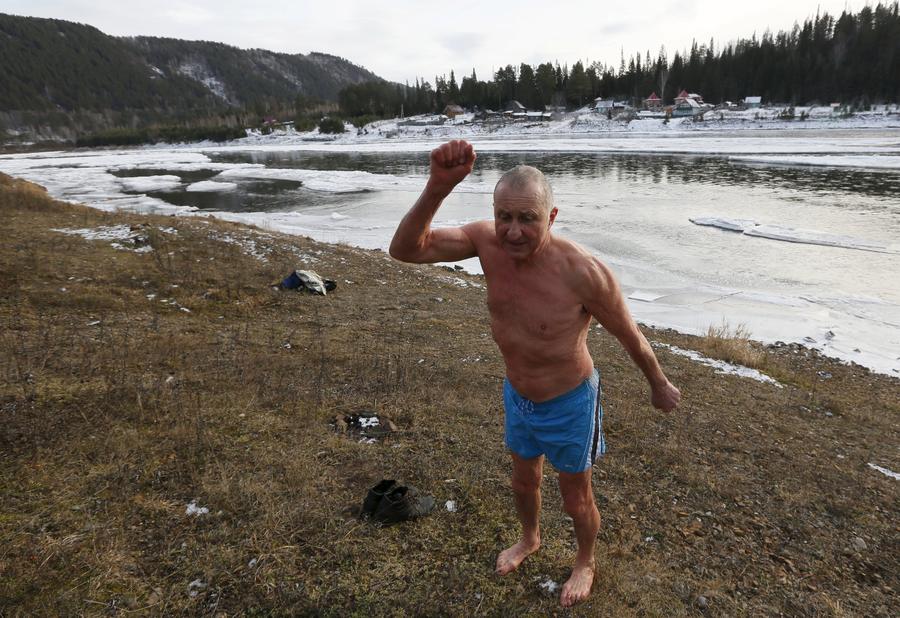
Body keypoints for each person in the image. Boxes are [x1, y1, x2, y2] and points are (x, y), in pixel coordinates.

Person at [389, 139, 681, 608]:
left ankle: (585, 560)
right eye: (505, 215)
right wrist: (437, 188)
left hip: (570, 400)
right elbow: (406, 249)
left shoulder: (584, 272)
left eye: (528, 218)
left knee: (575, 496)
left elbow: (631, 335)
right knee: (523, 481)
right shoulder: (484, 241)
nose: (513, 230)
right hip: (518, 394)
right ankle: (530, 538)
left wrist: (659, 383)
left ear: (552, 216)